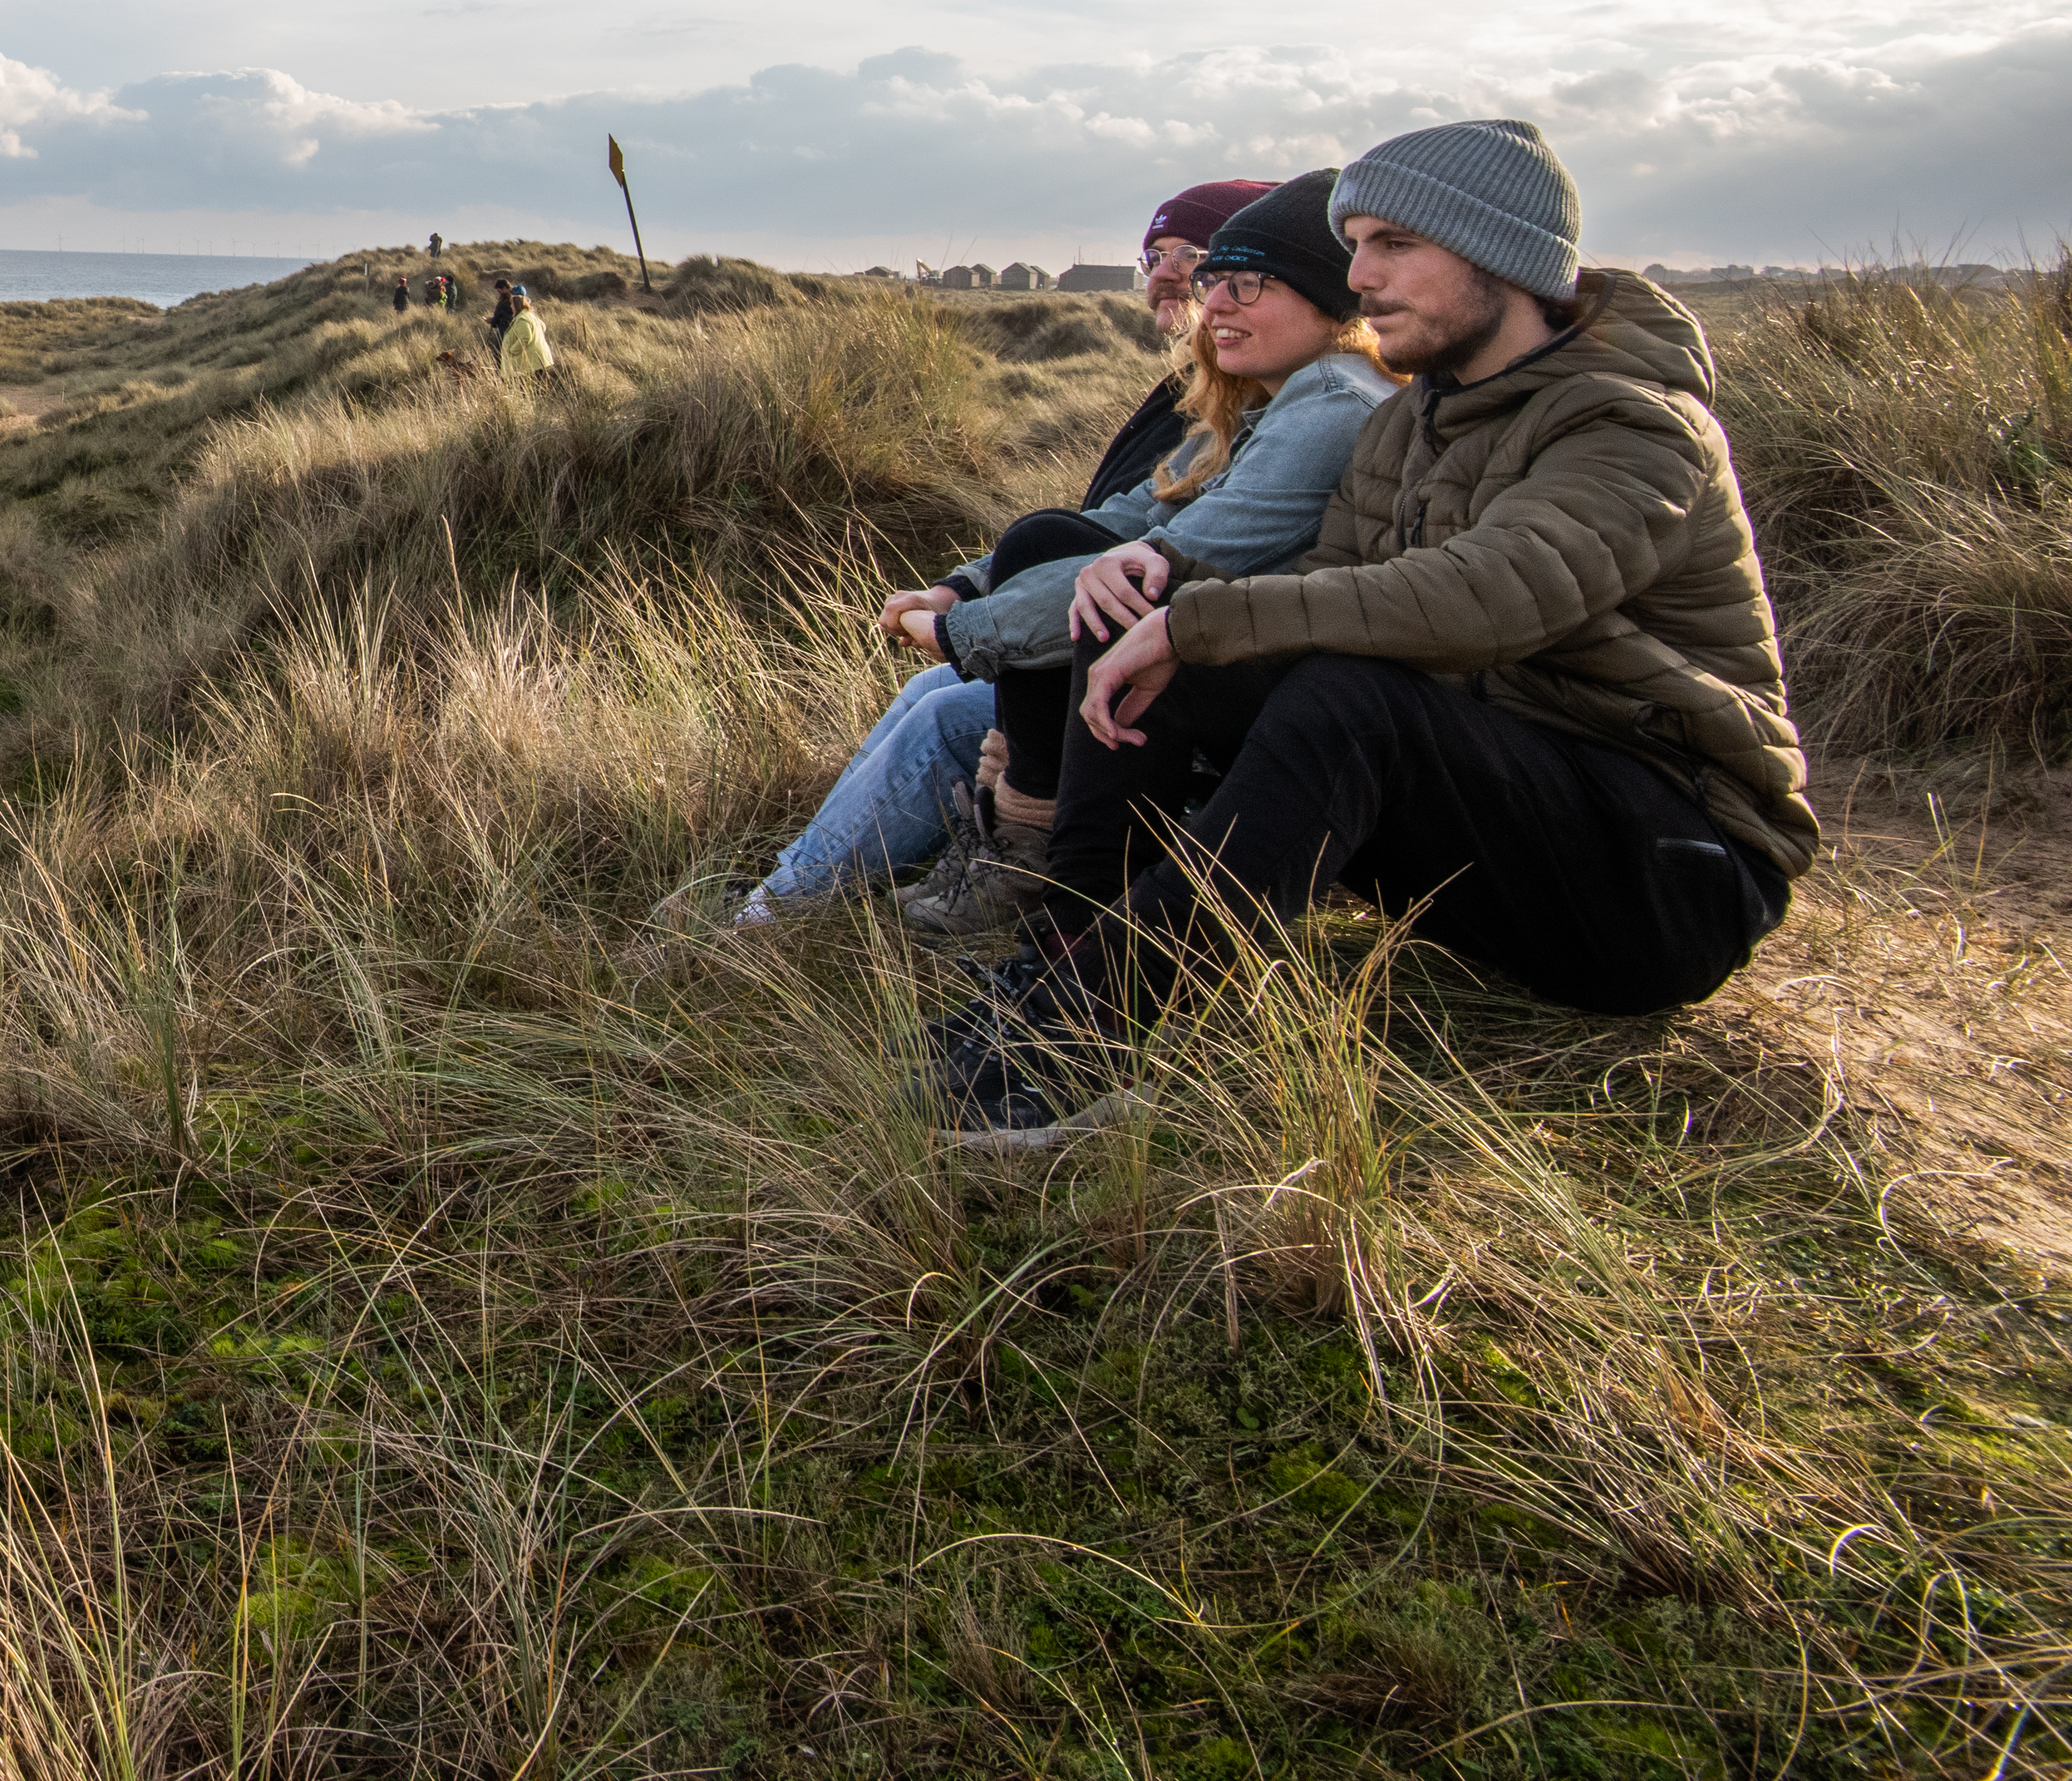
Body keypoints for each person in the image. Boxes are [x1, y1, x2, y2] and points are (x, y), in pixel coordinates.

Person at [933, 119, 1822, 1149]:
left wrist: (1210, 613)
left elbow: (1495, 594)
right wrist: (1166, 578)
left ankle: (1077, 1038)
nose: (1359, 275)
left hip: (1667, 872)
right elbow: (1335, 583)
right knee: (1139, 618)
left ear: (1501, 253)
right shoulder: (1414, 420)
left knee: (1346, 700)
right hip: (1489, 834)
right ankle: (1056, 971)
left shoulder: (1632, 421)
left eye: (1392, 243)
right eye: (1353, 244)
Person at [715, 178, 1268, 926]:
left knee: (947, 713)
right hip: (1116, 653)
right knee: (930, 693)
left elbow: (1157, 548)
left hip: (1167, 689)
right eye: (1153, 255)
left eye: (1195, 256)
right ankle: (797, 881)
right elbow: (1112, 519)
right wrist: (962, 589)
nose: (1166, 273)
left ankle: (773, 917)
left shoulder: (1264, 406)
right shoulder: (1199, 389)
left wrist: (964, 629)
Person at [900, 171, 1399, 941]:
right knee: (1052, 537)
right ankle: (1024, 856)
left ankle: (1046, 876)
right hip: (1220, 650)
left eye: (1249, 282)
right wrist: (962, 587)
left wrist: (967, 634)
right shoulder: (1270, 392)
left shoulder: (1334, 402)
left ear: (1328, 298)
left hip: (1281, 677)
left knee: (1117, 600)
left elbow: (1182, 553)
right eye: (1213, 281)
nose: (1218, 303)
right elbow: (1133, 513)